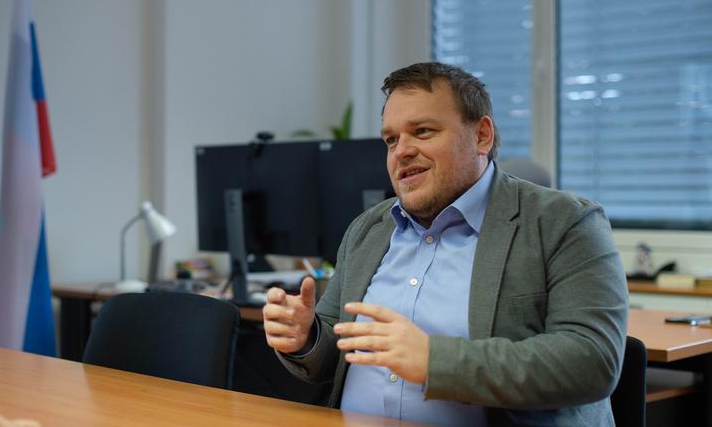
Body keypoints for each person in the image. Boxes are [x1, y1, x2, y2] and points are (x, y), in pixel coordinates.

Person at [262, 62, 628, 425]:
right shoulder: (368, 228)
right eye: (391, 140)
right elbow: (336, 348)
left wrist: (433, 361)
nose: (401, 151)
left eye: (422, 131)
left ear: (481, 135)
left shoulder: (564, 222)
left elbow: (592, 361)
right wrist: (306, 337)